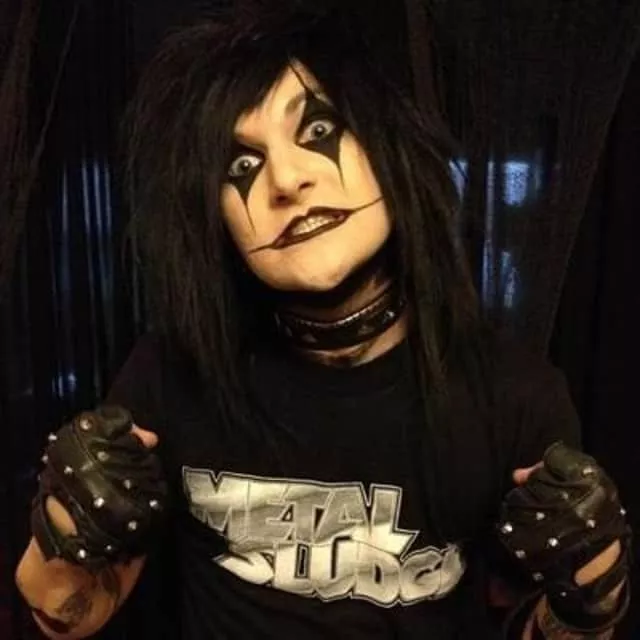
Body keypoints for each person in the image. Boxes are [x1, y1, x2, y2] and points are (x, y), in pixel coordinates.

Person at [15, 6, 631, 639]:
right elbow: (68, 615)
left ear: (387, 148)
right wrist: (63, 525)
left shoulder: (512, 392)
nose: (285, 180)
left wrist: (592, 591)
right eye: (241, 166)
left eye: (316, 128)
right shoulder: (169, 376)